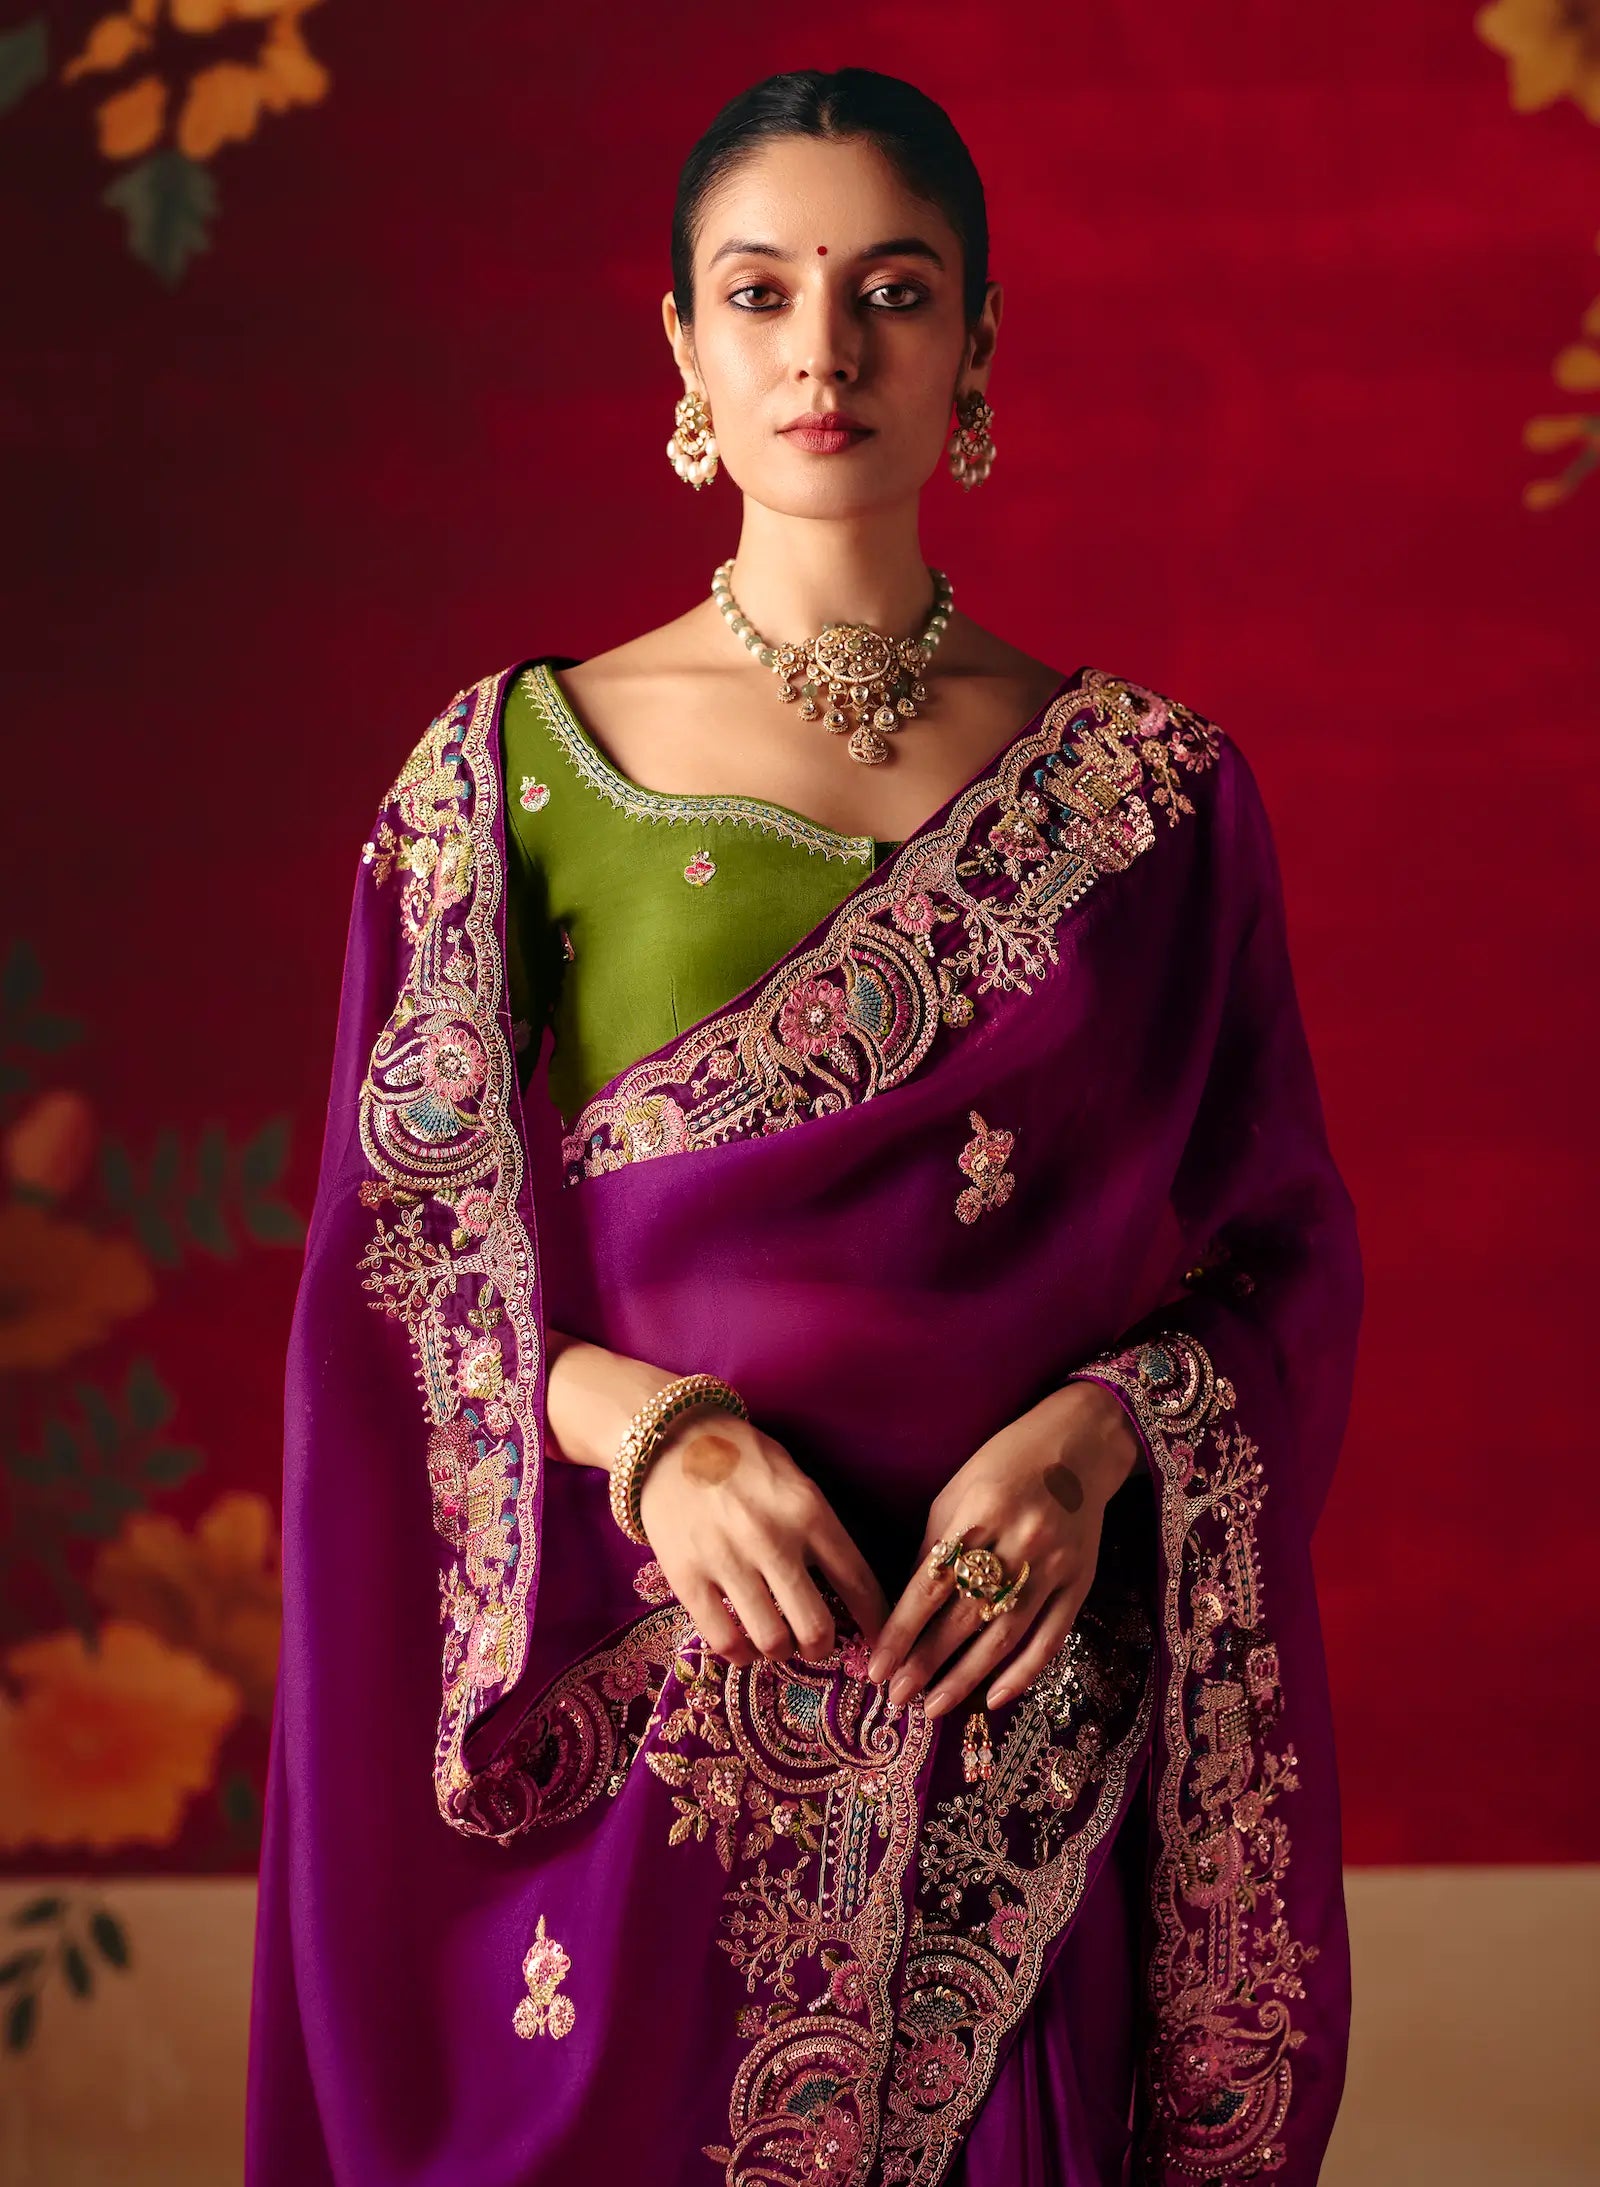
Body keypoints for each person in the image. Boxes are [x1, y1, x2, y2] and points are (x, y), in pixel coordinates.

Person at [247, 66, 1363, 2187]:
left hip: (1007, 1733)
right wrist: (654, 1435)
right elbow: (396, 1279)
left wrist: (1099, 1438)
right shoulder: (516, 767)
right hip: (648, 1733)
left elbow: (1280, 1254)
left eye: (892, 291)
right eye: (760, 294)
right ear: (681, 343)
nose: (824, 352)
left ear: (977, 340)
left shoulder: (1151, 798)